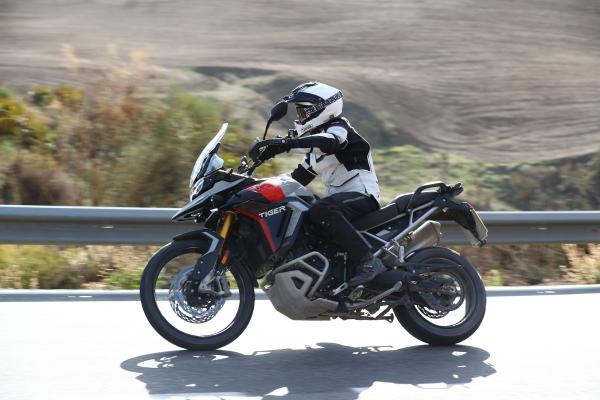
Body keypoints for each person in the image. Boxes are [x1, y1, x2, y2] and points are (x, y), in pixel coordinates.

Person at [250, 81, 385, 287]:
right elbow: (295, 180)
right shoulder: (315, 151)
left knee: (322, 209)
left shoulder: (340, 128)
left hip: (362, 195)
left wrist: (288, 143)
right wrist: (258, 186)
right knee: (300, 214)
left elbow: (329, 142)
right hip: (339, 201)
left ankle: (368, 261)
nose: (299, 118)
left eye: (303, 113)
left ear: (321, 110)